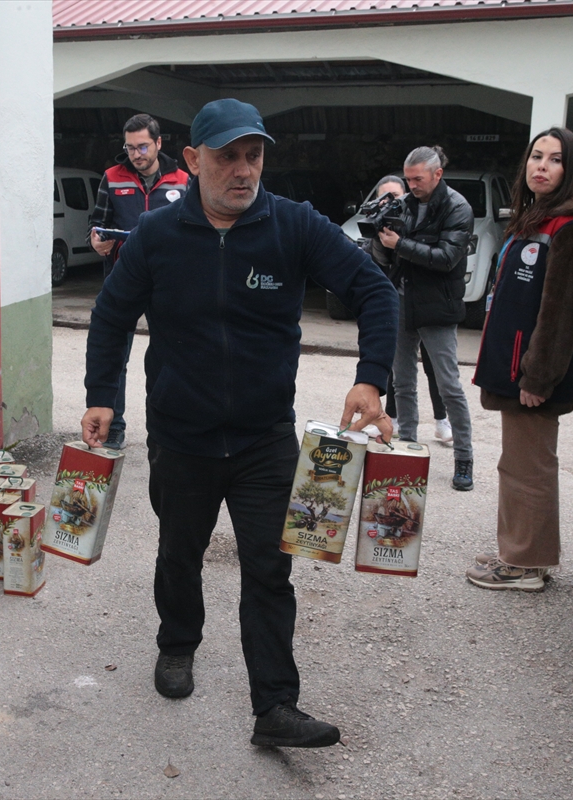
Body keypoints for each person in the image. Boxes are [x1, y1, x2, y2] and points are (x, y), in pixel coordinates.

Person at [81, 98, 398, 748]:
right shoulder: (157, 238)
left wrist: (371, 377)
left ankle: (275, 706)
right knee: (179, 555)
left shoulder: (294, 226)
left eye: (254, 155)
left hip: (263, 440)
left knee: (270, 568)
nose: (244, 169)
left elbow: (374, 291)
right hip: (183, 436)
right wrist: (100, 395)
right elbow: (111, 317)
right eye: (228, 156)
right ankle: (177, 644)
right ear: (194, 160)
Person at [467, 127, 573, 591]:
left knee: (530, 467)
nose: (541, 166)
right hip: (517, 370)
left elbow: (565, 314)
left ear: (570, 170)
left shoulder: (569, 229)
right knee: (519, 464)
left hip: (532, 376)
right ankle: (521, 553)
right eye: (536, 156)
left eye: (554, 159)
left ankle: (525, 565)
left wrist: (538, 377)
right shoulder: (538, 219)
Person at [87, 113, 191, 450]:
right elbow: (97, 224)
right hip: (124, 280)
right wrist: (97, 240)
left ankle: (172, 424)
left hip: (170, 283)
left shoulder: (182, 180)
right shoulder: (111, 178)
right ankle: (114, 425)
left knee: (173, 357)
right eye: (130, 148)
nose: (136, 154)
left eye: (143, 146)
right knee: (116, 357)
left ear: (159, 144)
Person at [377, 146, 475, 489]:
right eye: (407, 178)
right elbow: (389, 255)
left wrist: (398, 244)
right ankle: (407, 451)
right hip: (402, 300)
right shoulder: (404, 204)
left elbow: (447, 257)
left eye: (417, 178)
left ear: (437, 174)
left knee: (449, 386)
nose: (411, 184)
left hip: (437, 305)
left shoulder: (458, 207)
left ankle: (464, 459)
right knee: (402, 383)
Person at [366, 175, 452, 446]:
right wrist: (382, 238)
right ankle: (394, 419)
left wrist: (400, 242)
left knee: (434, 366)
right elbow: (377, 261)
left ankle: (443, 420)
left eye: (394, 197)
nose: (389, 203)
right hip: (394, 301)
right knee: (398, 371)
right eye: (383, 198)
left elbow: (440, 257)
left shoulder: (420, 218)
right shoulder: (379, 224)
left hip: (426, 303)